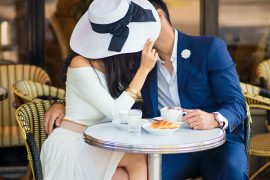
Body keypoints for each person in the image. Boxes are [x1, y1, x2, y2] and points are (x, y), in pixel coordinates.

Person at [45, 0, 249, 179]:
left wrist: (213, 119)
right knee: (146, 171)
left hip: (217, 143)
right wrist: (65, 104)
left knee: (231, 168)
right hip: (167, 148)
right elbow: (106, 95)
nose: (131, 34)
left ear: (158, 16)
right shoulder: (137, 60)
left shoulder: (209, 48)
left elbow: (237, 104)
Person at [40, 0, 161, 179]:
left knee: (124, 175)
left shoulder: (117, 64)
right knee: (138, 160)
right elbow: (115, 112)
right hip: (74, 145)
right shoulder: (79, 63)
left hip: (100, 143)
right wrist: (143, 70)